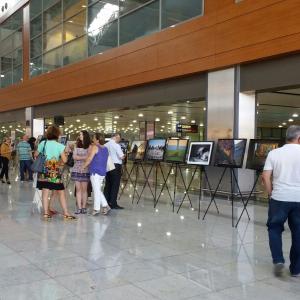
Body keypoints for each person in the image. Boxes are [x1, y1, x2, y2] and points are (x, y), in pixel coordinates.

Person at [262, 125, 300, 277]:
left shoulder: (274, 153)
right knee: (298, 233)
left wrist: (271, 193)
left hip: (279, 198)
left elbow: (265, 177)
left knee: (274, 228)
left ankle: (278, 260)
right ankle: (296, 269)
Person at [35, 126, 76, 221]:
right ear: (57, 134)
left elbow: (36, 154)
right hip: (54, 170)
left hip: (44, 170)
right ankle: (66, 213)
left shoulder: (43, 143)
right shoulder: (60, 146)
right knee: (61, 192)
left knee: (45, 192)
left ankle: (46, 213)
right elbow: (65, 160)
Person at [83, 133, 110, 216]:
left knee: (97, 190)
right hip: (102, 172)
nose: (92, 139)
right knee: (97, 189)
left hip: (95, 172)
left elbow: (90, 159)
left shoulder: (95, 147)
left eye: (94, 138)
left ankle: (96, 209)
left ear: (97, 140)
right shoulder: (105, 148)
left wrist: (83, 167)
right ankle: (106, 206)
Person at [71, 131, 91, 214]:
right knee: (78, 190)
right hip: (76, 169)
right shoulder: (76, 145)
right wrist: (83, 157)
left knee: (84, 190)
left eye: (81, 134)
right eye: (79, 134)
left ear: (85, 136)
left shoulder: (89, 146)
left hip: (85, 169)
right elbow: (74, 157)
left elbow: (89, 157)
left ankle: (84, 207)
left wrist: (79, 157)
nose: (79, 136)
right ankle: (79, 207)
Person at [104, 133, 125, 209]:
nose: (119, 139)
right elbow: (121, 157)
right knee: (115, 185)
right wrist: (124, 155)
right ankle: (113, 203)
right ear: (116, 137)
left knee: (108, 184)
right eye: (119, 137)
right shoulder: (116, 145)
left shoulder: (106, 145)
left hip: (108, 164)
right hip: (116, 165)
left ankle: (106, 201)